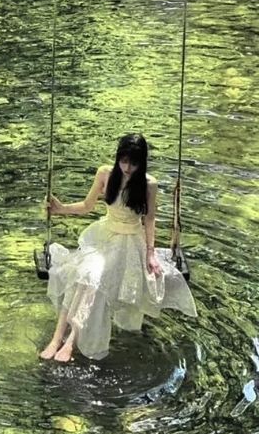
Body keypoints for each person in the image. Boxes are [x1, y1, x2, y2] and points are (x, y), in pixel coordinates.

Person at [39, 133, 198, 363]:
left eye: (133, 163)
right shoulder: (105, 174)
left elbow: (150, 219)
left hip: (130, 242)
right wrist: (60, 208)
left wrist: (151, 254)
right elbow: (86, 206)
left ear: (141, 162)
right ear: (118, 159)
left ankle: (72, 340)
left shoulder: (148, 184)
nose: (127, 168)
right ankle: (56, 338)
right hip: (104, 235)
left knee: (95, 282)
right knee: (82, 275)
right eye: (124, 161)